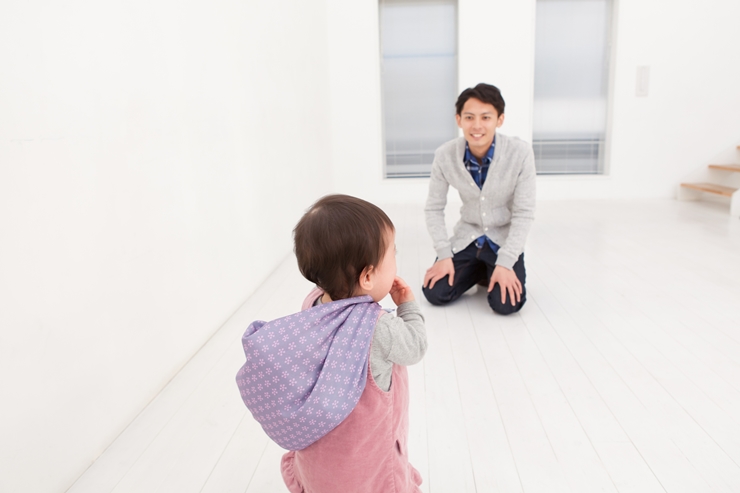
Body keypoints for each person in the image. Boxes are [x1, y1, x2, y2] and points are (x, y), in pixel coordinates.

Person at [236, 194, 427, 493]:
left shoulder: (314, 303)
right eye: (393, 254)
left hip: (324, 463)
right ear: (367, 276)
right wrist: (408, 307)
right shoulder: (381, 328)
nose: (396, 261)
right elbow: (415, 346)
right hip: (367, 460)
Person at [422, 83, 536, 315]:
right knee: (435, 293)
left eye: (486, 117)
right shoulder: (445, 155)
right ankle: (481, 270)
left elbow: (524, 213)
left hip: (502, 241)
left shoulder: (521, 153)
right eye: (469, 117)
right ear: (458, 119)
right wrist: (444, 254)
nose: (477, 126)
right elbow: (433, 208)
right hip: (468, 238)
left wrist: (506, 263)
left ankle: (492, 267)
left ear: (499, 119)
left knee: (506, 305)